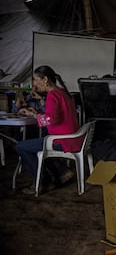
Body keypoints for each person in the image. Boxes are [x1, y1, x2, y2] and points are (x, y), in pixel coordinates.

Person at [16, 66, 82, 195]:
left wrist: (33, 115)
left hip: (63, 140)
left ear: (45, 79)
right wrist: (38, 114)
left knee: (21, 146)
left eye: (35, 80)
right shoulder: (61, 92)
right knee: (35, 144)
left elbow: (51, 120)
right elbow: (55, 115)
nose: (34, 84)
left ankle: (42, 183)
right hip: (73, 138)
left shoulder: (52, 94)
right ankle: (61, 171)